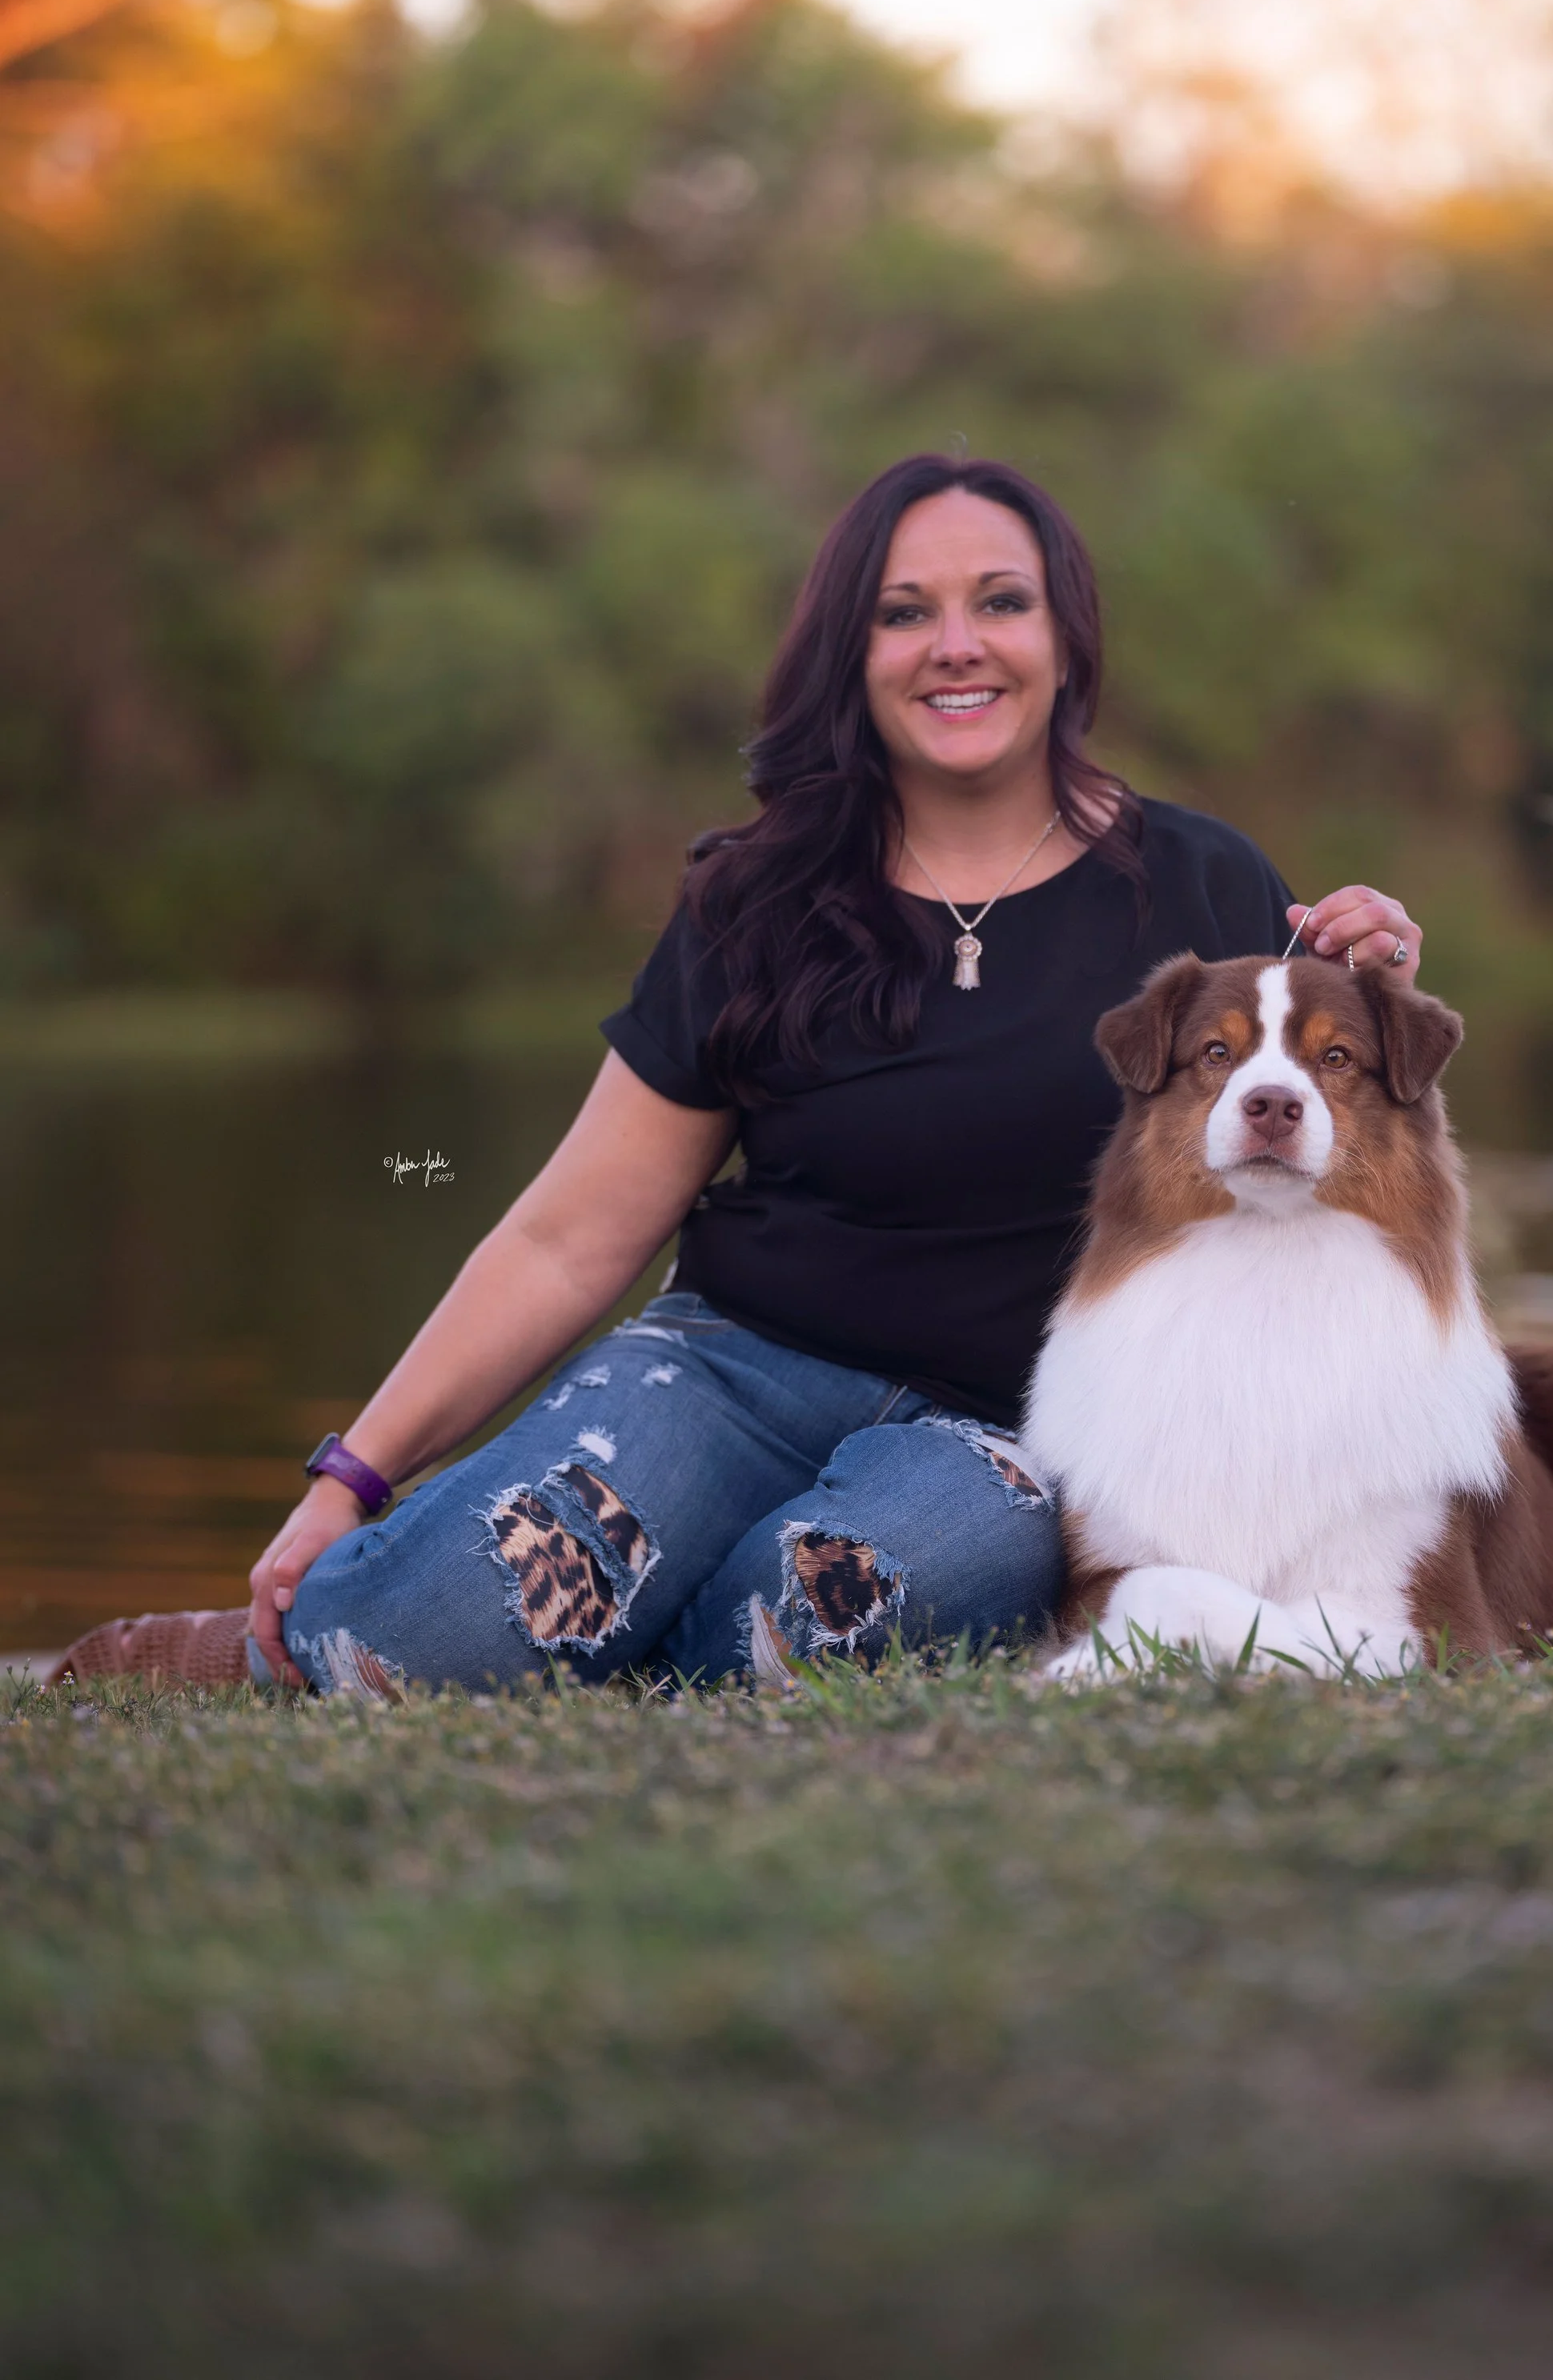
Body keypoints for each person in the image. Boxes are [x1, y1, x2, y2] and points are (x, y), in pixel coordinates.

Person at [53, 455, 1423, 1696]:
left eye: (1001, 603)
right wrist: (352, 1475)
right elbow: (569, 1236)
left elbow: (1328, 1169)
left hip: (1004, 1438)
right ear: (855, 651)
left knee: (854, 1600)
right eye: (905, 613)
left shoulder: (1203, 884)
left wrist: (1381, 992)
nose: (958, 646)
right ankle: (262, 1654)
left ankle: (613, 1654)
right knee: (447, 1620)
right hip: (729, 1378)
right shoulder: (757, 898)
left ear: (1065, 638)